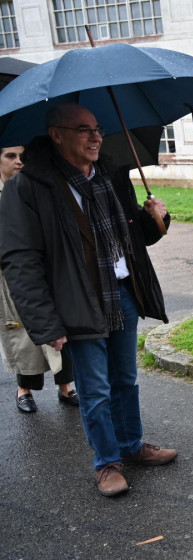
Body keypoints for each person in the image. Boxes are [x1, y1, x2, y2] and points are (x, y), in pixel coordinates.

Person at [0, 103, 176, 497]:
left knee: (126, 380)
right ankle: (107, 462)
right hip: (76, 302)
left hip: (122, 294)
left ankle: (131, 445)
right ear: (56, 134)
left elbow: (132, 238)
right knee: (94, 390)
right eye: (84, 129)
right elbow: (20, 260)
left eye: (97, 128)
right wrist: (46, 324)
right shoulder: (27, 187)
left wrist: (154, 218)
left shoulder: (111, 175)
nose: (96, 136)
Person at [0, 145, 79, 413]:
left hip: (46, 269)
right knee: (23, 336)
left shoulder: (36, 187)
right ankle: (24, 389)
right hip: (10, 277)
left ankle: (66, 385)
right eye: (10, 156)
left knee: (60, 327)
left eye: (22, 156)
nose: (18, 162)